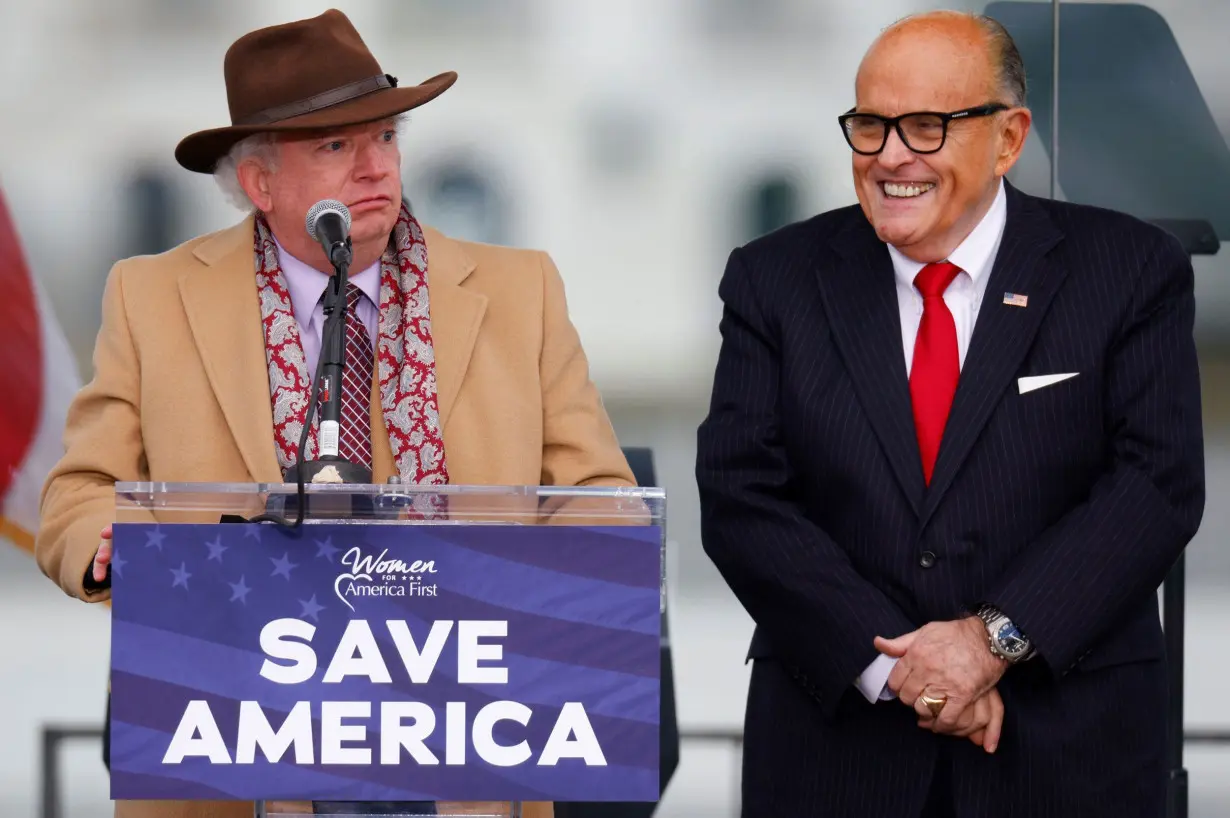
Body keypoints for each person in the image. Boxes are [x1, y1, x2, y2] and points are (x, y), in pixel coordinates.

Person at [35, 9, 634, 818]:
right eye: (335, 147)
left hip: (465, 749)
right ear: (260, 182)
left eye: (385, 137)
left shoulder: (520, 291)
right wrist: (108, 545)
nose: (374, 167)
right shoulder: (151, 298)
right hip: (240, 751)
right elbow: (76, 496)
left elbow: (602, 500)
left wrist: (543, 598)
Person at [696, 10, 1204, 818]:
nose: (891, 156)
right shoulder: (774, 279)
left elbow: (1155, 485)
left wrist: (989, 641)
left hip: (1065, 750)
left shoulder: (1128, 270)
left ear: (1007, 139)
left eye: (927, 126)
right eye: (870, 125)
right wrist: (905, 670)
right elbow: (741, 498)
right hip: (838, 756)